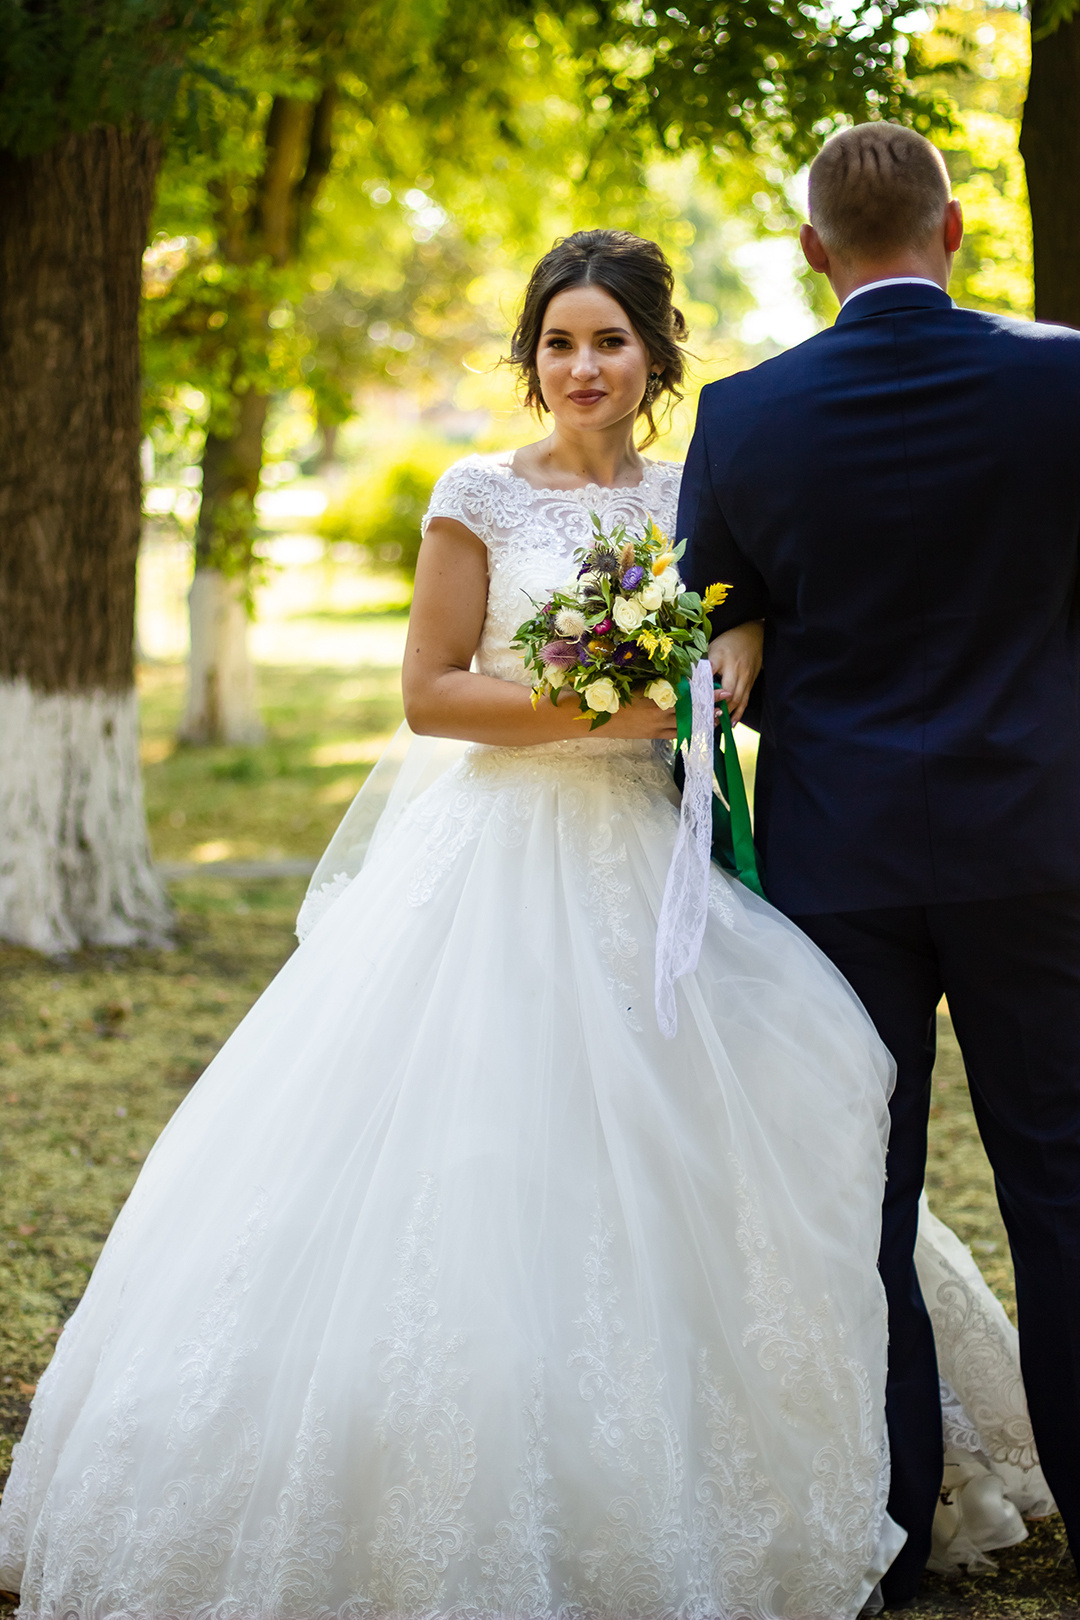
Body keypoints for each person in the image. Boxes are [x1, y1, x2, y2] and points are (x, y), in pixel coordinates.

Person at [0, 229, 907, 1618]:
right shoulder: (477, 491)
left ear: (657, 355)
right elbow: (430, 696)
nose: (582, 366)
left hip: (649, 869)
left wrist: (719, 672)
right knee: (469, 1154)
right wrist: (608, 706)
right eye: (558, 342)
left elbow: (738, 639)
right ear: (530, 358)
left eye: (608, 341)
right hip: (496, 861)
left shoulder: (694, 495)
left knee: (698, 1147)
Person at [679, 122, 1080, 1607]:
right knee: (1067, 1187)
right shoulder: (1065, 380)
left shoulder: (746, 415)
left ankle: (894, 1531)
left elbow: (719, 644)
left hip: (842, 856)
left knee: (864, 1202)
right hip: (1043, 841)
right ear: (955, 228)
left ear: (809, 251)